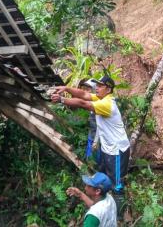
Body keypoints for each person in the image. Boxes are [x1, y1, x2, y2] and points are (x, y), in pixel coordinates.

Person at [51, 75, 130, 214]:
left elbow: (83, 104)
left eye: (100, 86)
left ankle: (119, 214)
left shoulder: (107, 103)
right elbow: (83, 94)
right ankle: (103, 205)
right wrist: (66, 88)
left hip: (117, 150)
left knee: (116, 183)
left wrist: (62, 99)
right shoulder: (101, 98)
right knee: (105, 176)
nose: (97, 88)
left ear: (108, 89)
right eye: (97, 85)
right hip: (107, 148)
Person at [78, 79, 98, 161]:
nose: (85, 91)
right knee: (89, 160)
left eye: (88, 89)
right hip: (91, 136)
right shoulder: (90, 103)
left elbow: (102, 126)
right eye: (84, 88)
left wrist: (96, 141)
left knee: (95, 161)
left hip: (98, 141)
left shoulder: (99, 104)